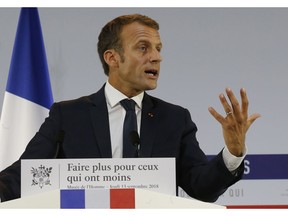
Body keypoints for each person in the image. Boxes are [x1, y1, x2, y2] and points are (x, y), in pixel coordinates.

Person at [0, 14, 260, 203]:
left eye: (158, 49)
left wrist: (233, 152)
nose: (157, 57)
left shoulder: (174, 119)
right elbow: (24, 176)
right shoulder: (68, 116)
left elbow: (202, 188)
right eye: (143, 48)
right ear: (112, 58)